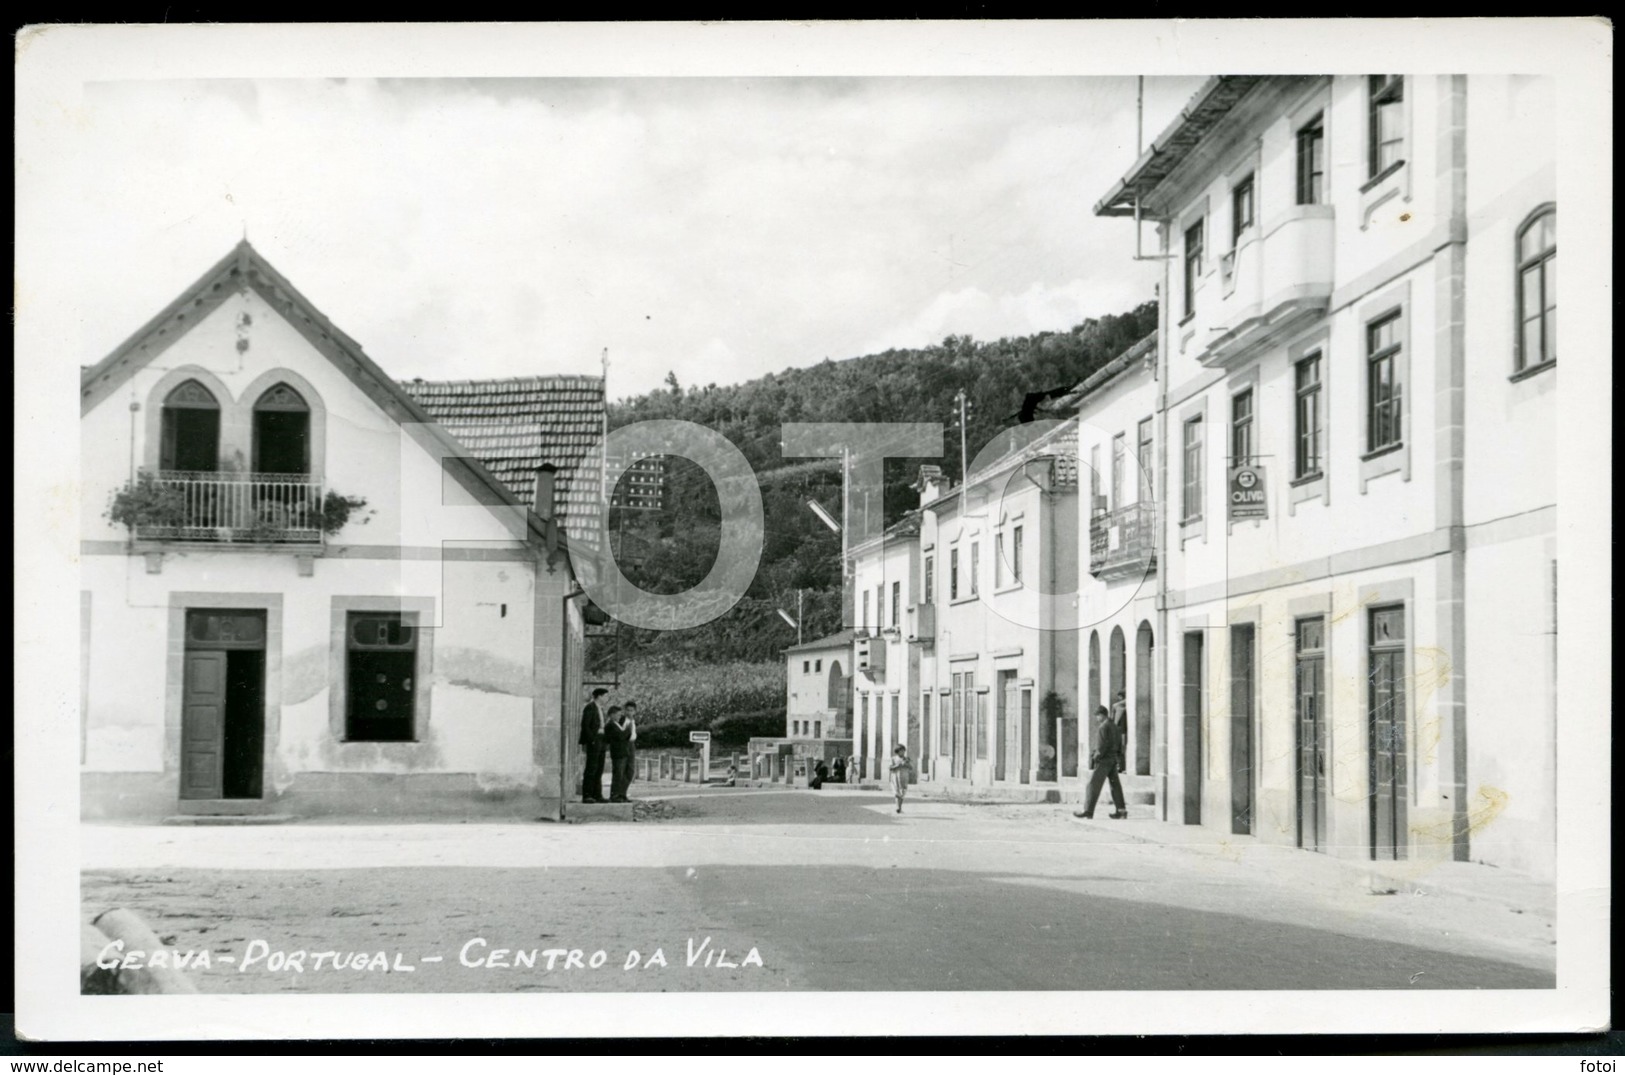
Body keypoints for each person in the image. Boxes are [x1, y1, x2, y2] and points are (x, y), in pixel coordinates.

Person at [1074, 705, 1128, 820]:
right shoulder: (1114, 726)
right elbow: (1120, 744)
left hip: (1104, 760)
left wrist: (1095, 757)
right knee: (1115, 785)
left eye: (1097, 716)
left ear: (1102, 715)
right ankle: (1121, 810)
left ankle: (1088, 810)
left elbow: (1101, 746)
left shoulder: (1103, 727)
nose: (1097, 718)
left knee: (1092, 784)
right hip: (1113, 759)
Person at [579, 687, 609, 803]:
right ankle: (587, 795)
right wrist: (592, 740)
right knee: (591, 768)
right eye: (606, 696)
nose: (607, 698)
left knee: (599, 768)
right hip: (594, 740)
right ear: (599, 696)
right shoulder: (590, 707)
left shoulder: (601, 708)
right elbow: (585, 726)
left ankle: (597, 795)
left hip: (601, 740)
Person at [604, 705, 634, 803]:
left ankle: (621, 794)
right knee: (618, 774)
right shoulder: (610, 725)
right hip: (618, 753)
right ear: (612, 715)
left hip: (622, 752)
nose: (619, 717)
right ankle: (615, 795)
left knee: (622, 774)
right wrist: (629, 729)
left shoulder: (616, 724)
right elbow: (620, 736)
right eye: (617, 714)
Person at [889, 744, 913, 814]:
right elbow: (890, 768)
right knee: (897, 792)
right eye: (901, 751)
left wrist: (907, 764)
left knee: (902, 792)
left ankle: (900, 807)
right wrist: (898, 765)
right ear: (897, 751)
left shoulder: (906, 759)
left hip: (904, 777)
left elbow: (911, 768)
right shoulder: (893, 759)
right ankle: (897, 807)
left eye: (903, 751)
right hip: (895, 777)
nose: (903, 753)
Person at [621, 702, 639, 788]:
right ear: (624, 711)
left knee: (631, 770)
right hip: (625, 744)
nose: (629, 712)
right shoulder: (622, 720)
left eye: (631, 710)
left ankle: (623, 791)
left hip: (632, 744)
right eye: (627, 710)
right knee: (623, 769)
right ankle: (620, 793)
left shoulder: (633, 721)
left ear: (635, 711)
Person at [1111, 690, 1129, 775]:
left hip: (1120, 731)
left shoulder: (1116, 706)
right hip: (1122, 730)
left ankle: (1120, 766)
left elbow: (1113, 719)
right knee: (1121, 749)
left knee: (1119, 749)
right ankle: (1121, 766)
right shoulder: (1120, 706)